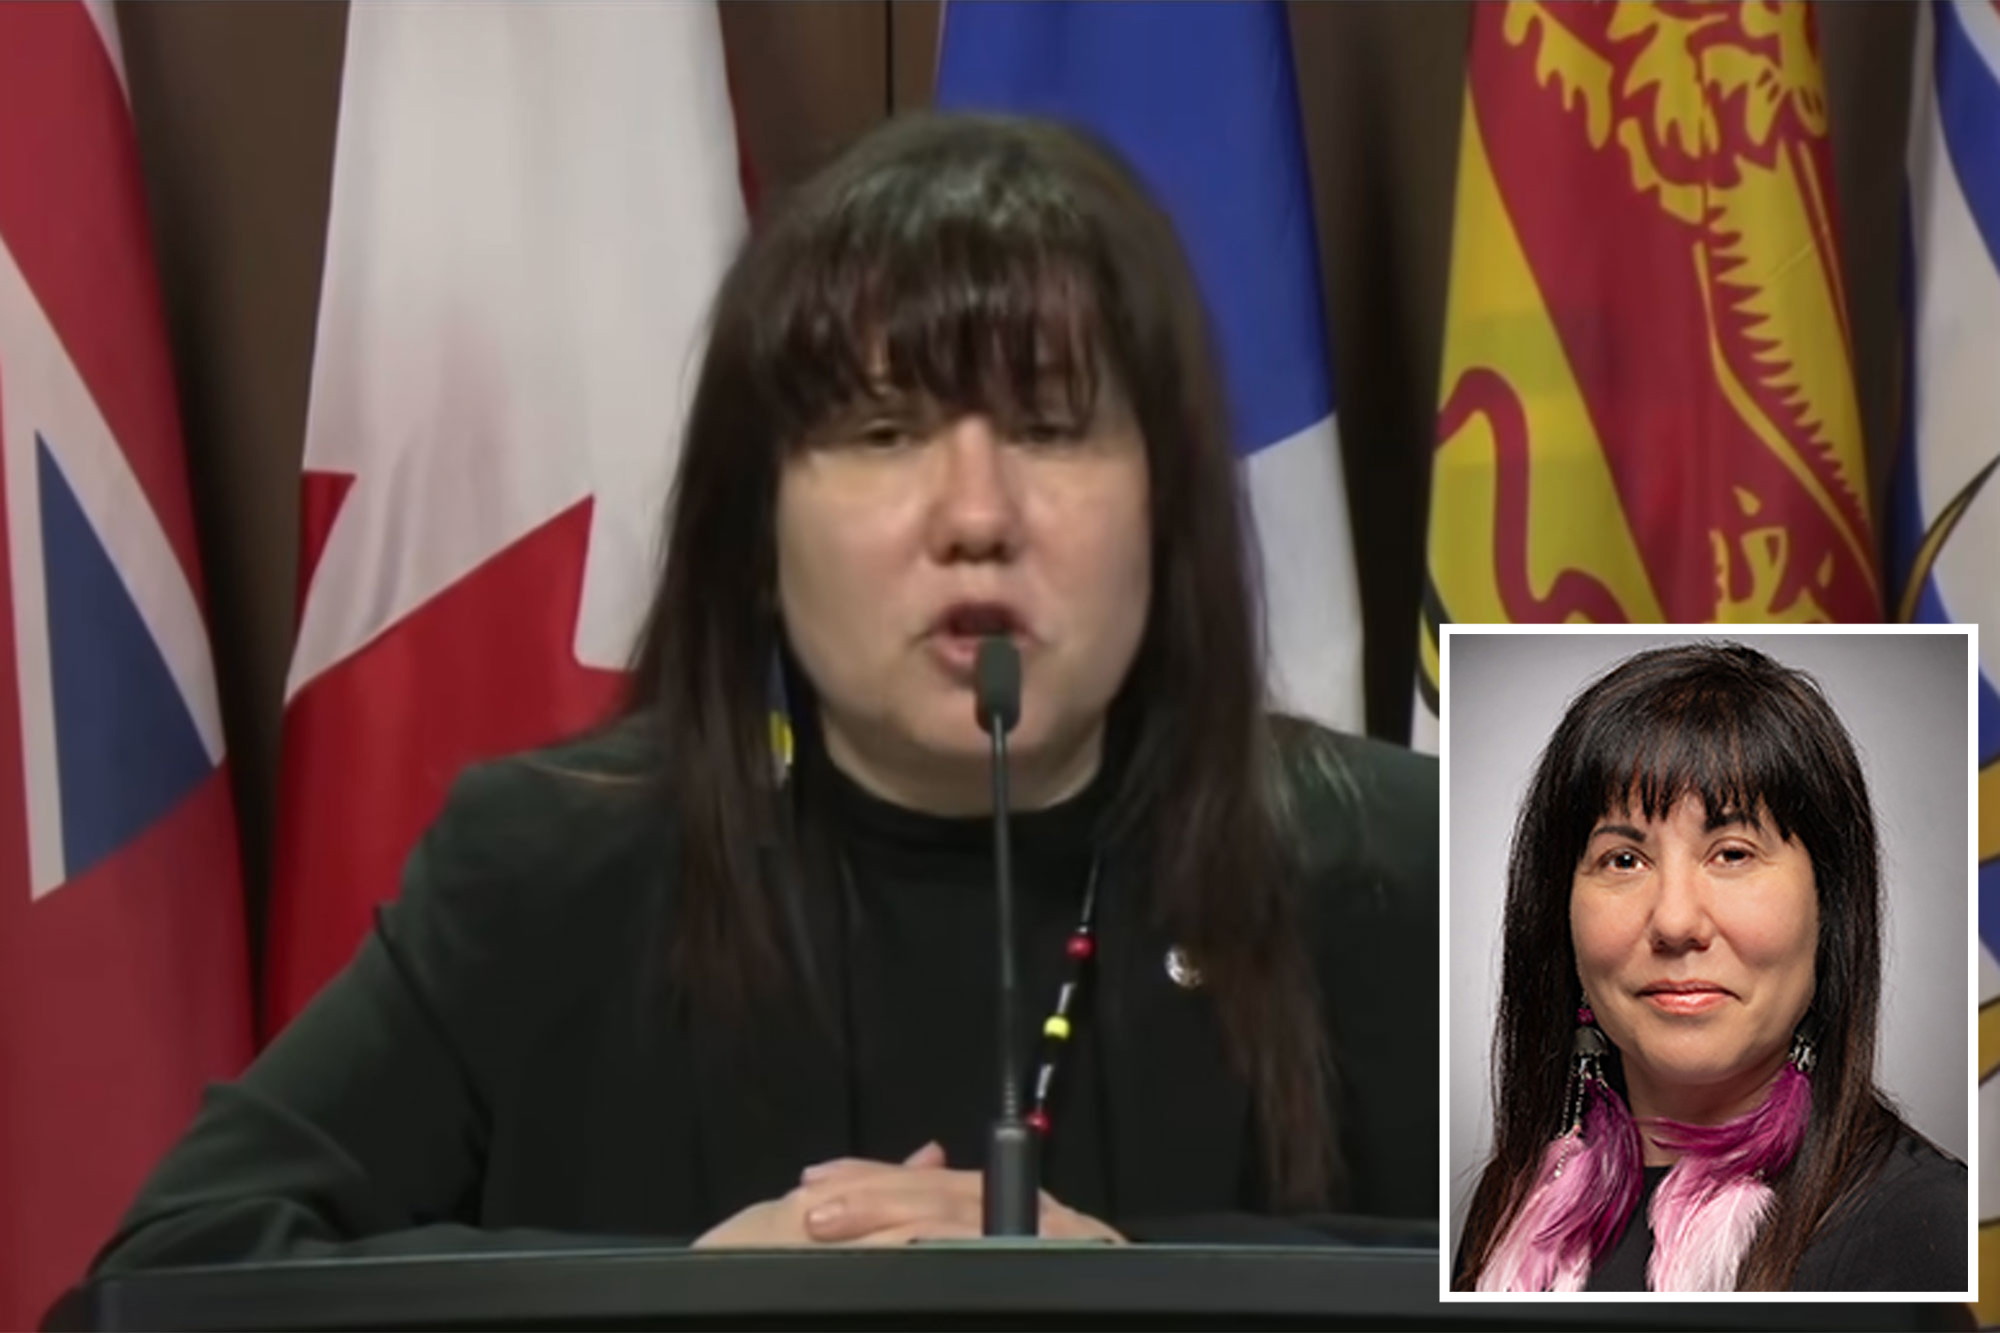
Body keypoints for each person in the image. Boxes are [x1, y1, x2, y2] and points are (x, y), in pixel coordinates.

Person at [85, 112, 1436, 1272]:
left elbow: (1580, 1265)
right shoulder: (548, 879)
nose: (977, 516)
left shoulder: (1403, 866)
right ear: (756, 532)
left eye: (1047, 428)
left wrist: (1142, 1291)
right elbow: (172, 1269)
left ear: (1168, 514)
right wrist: (672, 1306)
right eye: (884, 432)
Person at [1453, 642, 1966, 1293]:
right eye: (1623, 860)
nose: (1674, 922)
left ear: (1830, 906)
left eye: (1732, 853)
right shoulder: (1509, 1206)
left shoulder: (1926, 1226)